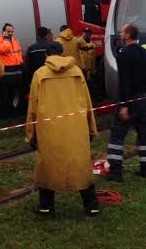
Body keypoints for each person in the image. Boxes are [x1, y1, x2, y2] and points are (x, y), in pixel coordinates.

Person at [27, 42, 99, 216]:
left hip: (49, 129)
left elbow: (33, 108)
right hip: (76, 127)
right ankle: (92, 206)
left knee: (47, 167)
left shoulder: (39, 74)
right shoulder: (77, 72)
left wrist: (31, 135)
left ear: (46, 55)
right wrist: (91, 129)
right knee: (80, 165)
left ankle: (46, 207)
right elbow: (87, 103)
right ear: (63, 53)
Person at [106, 23, 146, 181]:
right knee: (144, 134)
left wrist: (124, 105)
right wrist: (145, 95)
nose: (120, 34)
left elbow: (125, 82)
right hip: (143, 99)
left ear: (128, 35)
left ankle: (115, 172)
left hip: (130, 99)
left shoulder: (124, 55)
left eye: (122, 32)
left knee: (117, 135)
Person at [0, 23, 23, 119]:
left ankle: (14, 113)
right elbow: (4, 50)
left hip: (16, 71)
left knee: (15, 94)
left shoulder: (15, 40)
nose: (10, 33)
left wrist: (21, 62)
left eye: (12, 31)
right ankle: (5, 115)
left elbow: (19, 53)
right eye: (8, 31)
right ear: (3, 31)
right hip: (5, 74)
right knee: (5, 95)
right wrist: (6, 39)